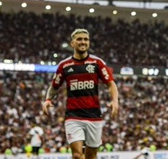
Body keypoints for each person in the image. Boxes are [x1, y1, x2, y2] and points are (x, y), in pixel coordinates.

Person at [42, 29, 119, 159]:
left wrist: (115, 100)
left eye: (85, 39)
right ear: (72, 43)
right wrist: (48, 99)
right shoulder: (64, 65)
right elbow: (54, 86)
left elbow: (111, 84)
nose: (83, 42)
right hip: (73, 116)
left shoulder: (97, 63)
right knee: (77, 155)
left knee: (91, 156)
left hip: (94, 115)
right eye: (79, 39)